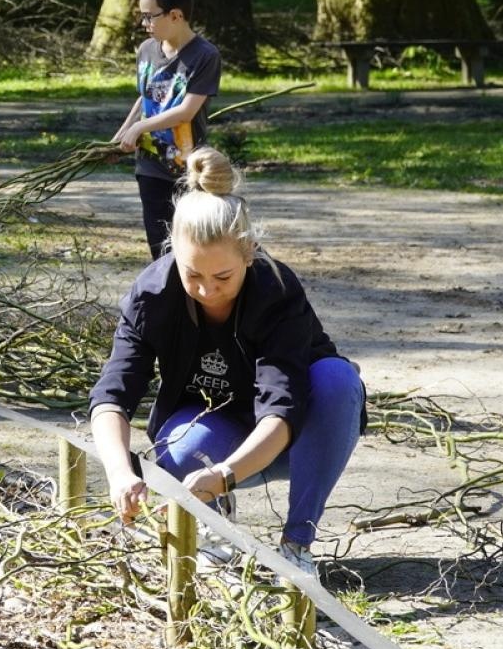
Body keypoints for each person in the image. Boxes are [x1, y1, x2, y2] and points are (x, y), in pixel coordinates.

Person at [87, 147, 365, 577]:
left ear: (249, 253)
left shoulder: (276, 291)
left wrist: (225, 475)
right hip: (211, 425)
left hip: (295, 437)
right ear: (172, 253)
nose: (205, 291)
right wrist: (120, 473)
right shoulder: (151, 295)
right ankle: (214, 523)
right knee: (177, 459)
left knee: (337, 378)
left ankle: (297, 546)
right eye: (192, 275)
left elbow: (283, 408)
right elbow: (112, 394)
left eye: (222, 278)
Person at [112, 0, 222, 259]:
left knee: (189, 250)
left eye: (150, 17)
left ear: (176, 15)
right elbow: (144, 98)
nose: (144, 24)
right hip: (149, 166)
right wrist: (120, 137)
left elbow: (186, 110)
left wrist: (139, 127)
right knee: (159, 251)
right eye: (142, 17)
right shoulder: (147, 51)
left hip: (188, 169)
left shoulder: (205, 56)